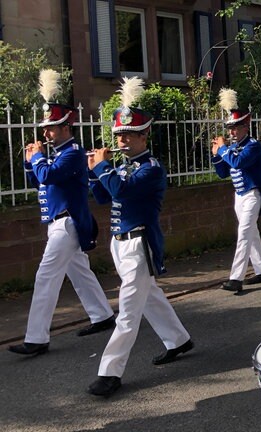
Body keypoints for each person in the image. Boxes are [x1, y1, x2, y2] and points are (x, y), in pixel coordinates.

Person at [86, 78, 193, 397]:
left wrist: (103, 168)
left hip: (139, 245)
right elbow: (106, 198)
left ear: (145, 135)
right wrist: (95, 172)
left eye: (130, 135)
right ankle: (179, 339)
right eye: (119, 135)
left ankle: (109, 372)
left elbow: (121, 190)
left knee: (128, 312)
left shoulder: (152, 169)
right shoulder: (121, 168)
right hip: (119, 243)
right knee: (150, 297)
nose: (122, 140)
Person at [9, 69, 115, 356]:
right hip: (57, 222)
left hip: (67, 222)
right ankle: (103, 316)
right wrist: (31, 161)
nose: (46, 132)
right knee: (79, 272)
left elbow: (50, 176)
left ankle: (37, 338)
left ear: (66, 127)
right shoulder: (58, 154)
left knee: (45, 277)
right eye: (46, 127)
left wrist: (39, 159)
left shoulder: (72, 153)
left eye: (52, 127)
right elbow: (39, 180)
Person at [212, 88, 261, 294]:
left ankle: (236, 277)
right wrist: (216, 155)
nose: (232, 132)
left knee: (244, 233)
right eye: (230, 128)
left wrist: (222, 150)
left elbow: (238, 162)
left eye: (236, 128)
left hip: (252, 194)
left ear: (246, 126)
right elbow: (222, 172)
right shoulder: (232, 148)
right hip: (239, 195)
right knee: (251, 232)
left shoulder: (254, 146)